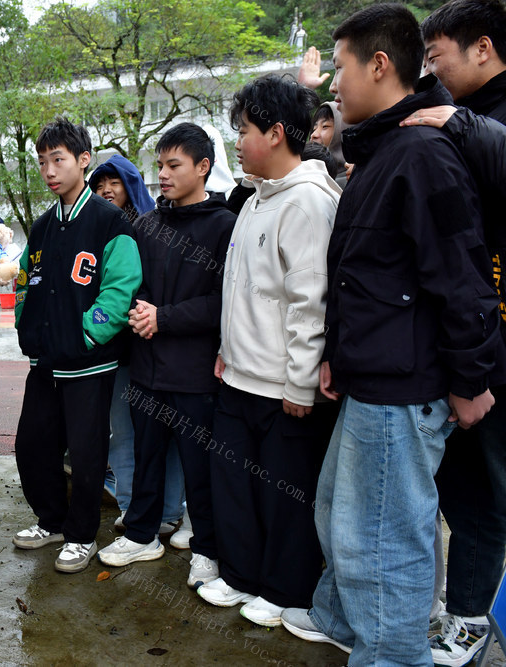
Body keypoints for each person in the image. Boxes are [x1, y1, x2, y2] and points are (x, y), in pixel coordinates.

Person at [280, 6, 499, 664]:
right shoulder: (381, 153)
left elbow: (462, 278)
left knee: (384, 542)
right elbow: (363, 275)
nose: (332, 86)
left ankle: (391, 653)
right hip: (370, 378)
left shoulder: (423, 154)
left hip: (406, 389)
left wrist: (470, 379)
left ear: (380, 65)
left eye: (339, 67)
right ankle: (356, 627)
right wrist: (335, 358)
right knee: (338, 517)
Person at [198, 74, 341, 629]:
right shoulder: (257, 200)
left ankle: (287, 590)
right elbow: (239, 287)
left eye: (245, 130)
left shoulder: (306, 202)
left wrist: (301, 382)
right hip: (239, 375)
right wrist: (226, 349)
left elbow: (311, 304)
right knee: (237, 486)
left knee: (285, 496)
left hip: (283, 387)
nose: (237, 141)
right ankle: (241, 575)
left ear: (278, 133)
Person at [96, 123, 235, 593]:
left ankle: (208, 550)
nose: (163, 174)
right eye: (159, 165)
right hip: (147, 367)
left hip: (196, 373)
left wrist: (166, 317)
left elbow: (226, 300)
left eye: (174, 165)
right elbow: (131, 284)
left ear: (203, 167)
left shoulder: (224, 225)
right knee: (145, 454)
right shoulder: (148, 225)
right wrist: (138, 312)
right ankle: (140, 534)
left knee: (200, 468)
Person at [11, 117, 142, 574]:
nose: (49, 170)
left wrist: (86, 334)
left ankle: (82, 534)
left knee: (87, 453)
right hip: (45, 361)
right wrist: (29, 331)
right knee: (32, 446)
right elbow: (26, 281)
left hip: (89, 362)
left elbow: (121, 288)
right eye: (43, 161)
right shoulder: (43, 226)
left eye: (58, 160)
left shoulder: (110, 223)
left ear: (83, 160)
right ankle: (51, 521)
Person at [416, 2, 506, 664]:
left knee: (493, 489)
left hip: (498, 350)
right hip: (465, 344)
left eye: (436, 55)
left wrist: (458, 120)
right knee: (464, 489)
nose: (431, 71)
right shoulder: (455, 125)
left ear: (482, 48)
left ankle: (473, 613)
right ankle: (466, 608)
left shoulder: (478, 124)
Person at [88, 154, 182, 539]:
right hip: (115, 351)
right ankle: (130, 506)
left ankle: (172, 510)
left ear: (131, 185)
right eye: (99, 184)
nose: (106, 190)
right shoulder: (92, 226)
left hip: (157, 345)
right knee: (123, 432)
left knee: (170, 435)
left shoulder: (154, 225)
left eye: (114, 182)